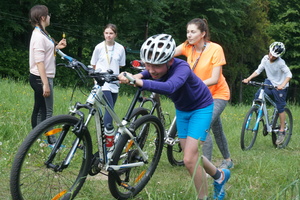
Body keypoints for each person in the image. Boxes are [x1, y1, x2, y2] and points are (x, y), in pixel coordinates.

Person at [118, 34, 230, 200]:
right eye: (148, 64)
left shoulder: (182, 67)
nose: (151, 69)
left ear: (170, 61)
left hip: (201, 108)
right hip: (183, 110)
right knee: (191, 156)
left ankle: (203, 197)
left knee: (189, 159)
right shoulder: (154, 69)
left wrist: (139, 82)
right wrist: (138, 75)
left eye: (156, 65)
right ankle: (220, 175)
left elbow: (170, 87)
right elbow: (149, 73)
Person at [174, 18, 233, 169]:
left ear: (203, 34)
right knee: (217, 129)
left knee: (203, 129)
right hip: (200, 97)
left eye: (193, 32)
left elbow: (214, 78)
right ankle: (228, 159)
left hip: (218, 95)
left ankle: (206, 168)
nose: (189, 35)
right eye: (187, 31)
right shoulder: (188, 47)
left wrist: (193, 85)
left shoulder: (215, 49)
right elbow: (169, 54)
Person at [29, 5, 67, 143]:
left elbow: (45, 53)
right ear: (43, 17)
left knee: (39, 109)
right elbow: (39, 62)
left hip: (41, 77)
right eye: (48, 14)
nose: (50, 16)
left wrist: (56, 47)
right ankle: (51, 141)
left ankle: (36, 139)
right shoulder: (39, 36)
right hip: (41, 78)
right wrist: (45, 84)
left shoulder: (43, 33)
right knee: (47, 112)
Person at [242, 42, 292, 145]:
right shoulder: (265, 59)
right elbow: (258, 70)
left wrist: (282, 85)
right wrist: (248, 78)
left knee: (280, 108)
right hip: (270, 82)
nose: (271, 56)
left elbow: (289, 74)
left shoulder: (280, 63)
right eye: (270, 54)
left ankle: (282, 131)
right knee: (258, 95)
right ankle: (258, 111)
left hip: (280, 87)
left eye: (274, 56)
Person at [90, 23, 126, 131]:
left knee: (110, 108)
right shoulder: (99, 47)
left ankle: (106, 132)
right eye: (106, 33)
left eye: (111, 33)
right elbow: (93, 64)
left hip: (114, 81)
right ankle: (108, 131)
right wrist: (95, 79)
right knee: (109, 107)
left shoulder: (120, 48)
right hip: (102, 82)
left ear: (115, 35)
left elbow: (120, 65)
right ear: (103, 34)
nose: (108, 35)